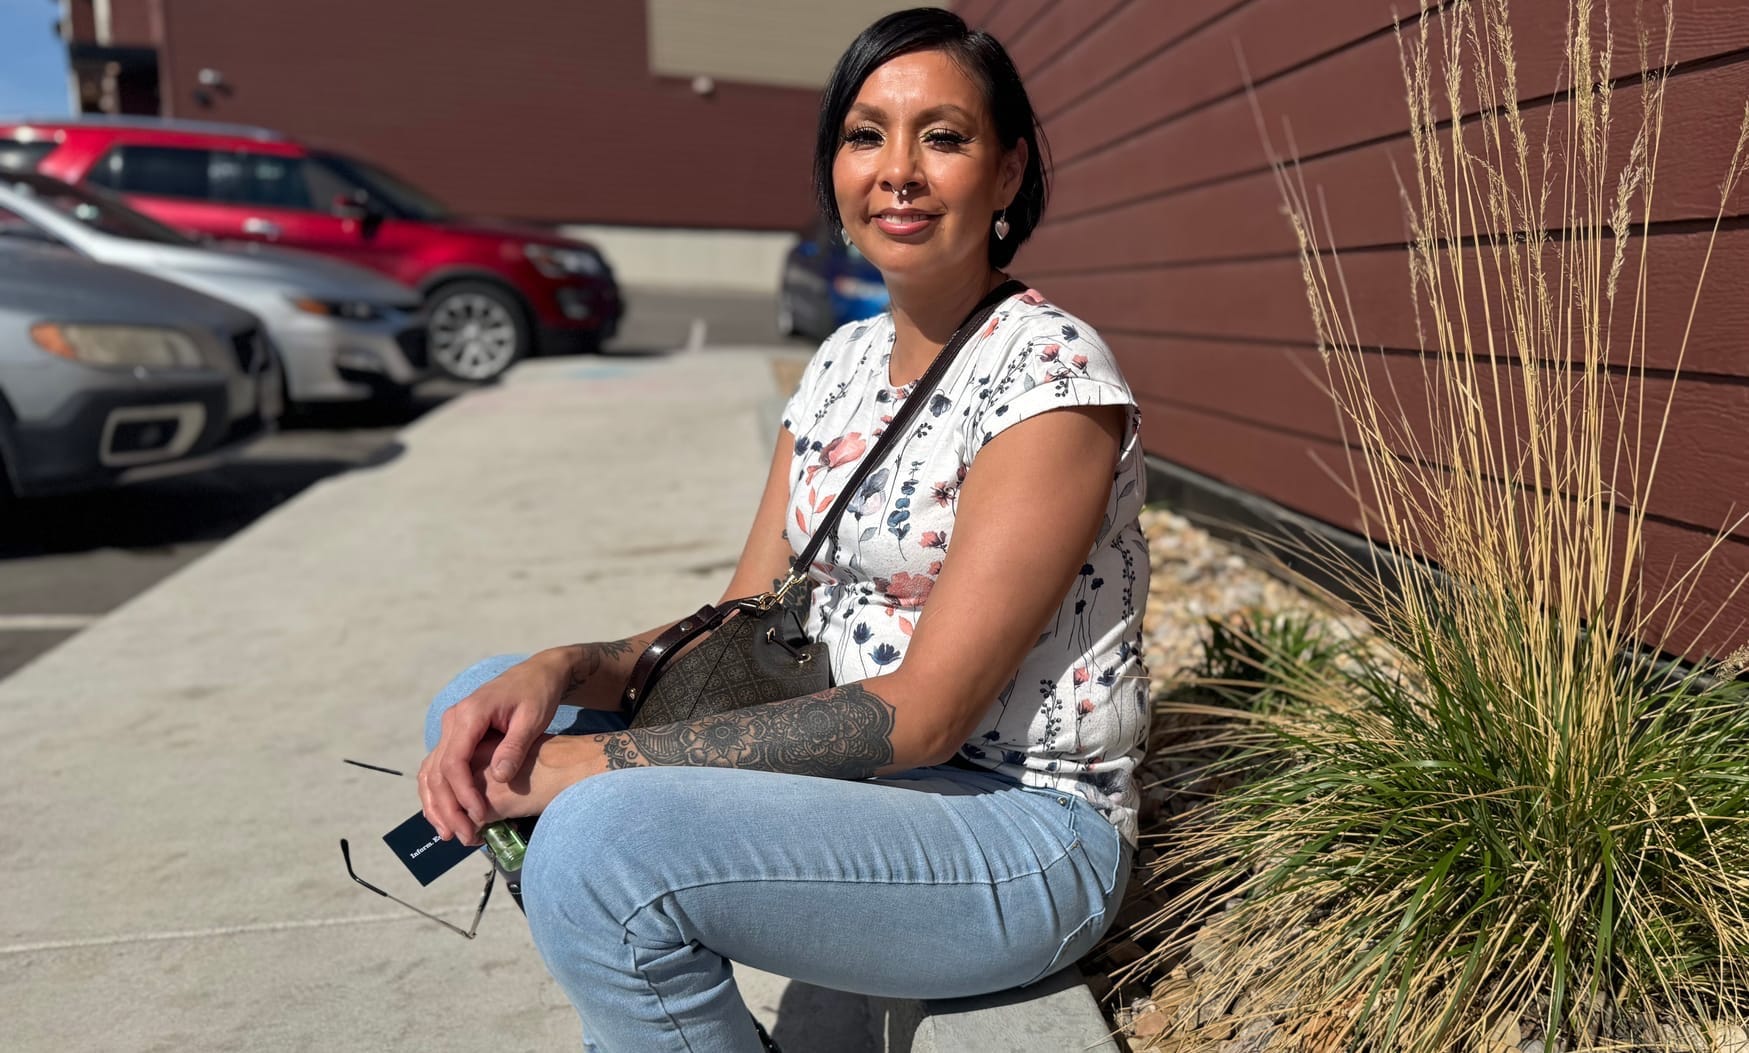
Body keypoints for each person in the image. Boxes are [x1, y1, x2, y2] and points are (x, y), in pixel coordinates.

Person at [418, 8, 1151, 1050]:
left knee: (597, 838)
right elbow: (742, 620)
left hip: (1018, 832)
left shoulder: (1051, 382)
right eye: (865, 136)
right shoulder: (842, 364)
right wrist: (562, 666)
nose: (897, 170)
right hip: (864, 786)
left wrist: (603, 769)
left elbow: (930, 718)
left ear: (1006, 173)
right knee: (479, 708)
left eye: (942, 137)